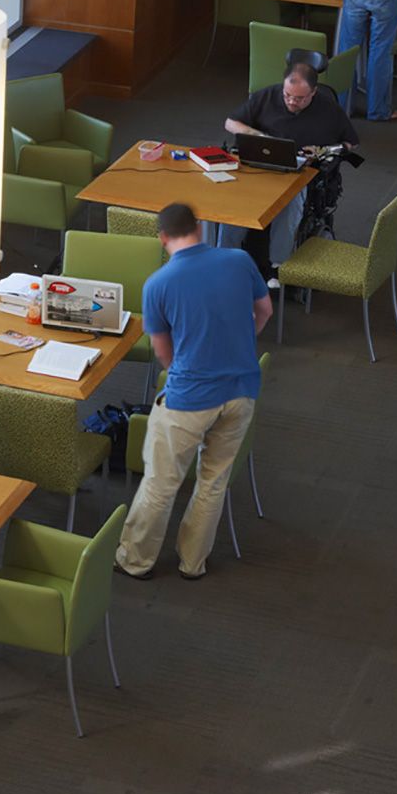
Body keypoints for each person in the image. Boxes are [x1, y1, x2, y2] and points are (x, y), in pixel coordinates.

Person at [114, 202, 271, 582]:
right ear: (198, 228)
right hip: (241, 390)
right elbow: (263, 311)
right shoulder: (238, 260)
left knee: (160, 484)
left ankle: (136, 561)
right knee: (213, 481)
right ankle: (192, 563)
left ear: (162, 237)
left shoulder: (159, 284)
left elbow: (163, 352)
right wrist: (236, 346)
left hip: (189, 399)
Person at [224, 55, 358, 282]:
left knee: (290, 202)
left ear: (313, 92)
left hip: (299, 172)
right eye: (287, 95)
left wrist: (322, 151)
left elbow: (350, 143)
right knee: (234, 200)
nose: (292, 102)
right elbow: (230, 123)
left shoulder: (328, 108)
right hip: (260, 165)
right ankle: (225, 257)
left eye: (300, 98)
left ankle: (277, 263)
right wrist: (258, 136)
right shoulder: (268, 95)